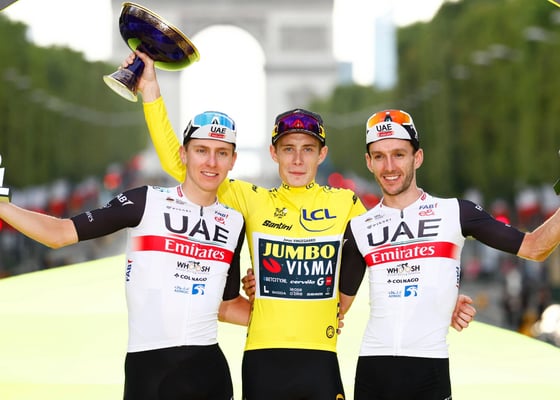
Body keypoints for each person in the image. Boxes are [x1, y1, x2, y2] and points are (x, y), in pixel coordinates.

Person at [127, 50, 476, 399]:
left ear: (322, 154)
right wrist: (151, 91)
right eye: (288, 149)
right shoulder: (251, 199)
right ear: (273, 153)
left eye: (307, 149)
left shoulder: (345, 203)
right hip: (262, 361)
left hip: (320, 360)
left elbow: (401, 250)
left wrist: (441, 297)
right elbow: (182, 166)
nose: (297, 159)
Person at [0, 111, 251, 400]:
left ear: (233, 160)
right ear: (184, 154)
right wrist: (2, 206)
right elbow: (59, 233)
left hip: (209, 374)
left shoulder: (235, 222)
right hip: (149, 373)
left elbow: (226, 306)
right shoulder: (145, 200)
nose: (211, 162)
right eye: (201, 150)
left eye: (222, 153)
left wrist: (278, 304)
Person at [339, 109, 560, 400]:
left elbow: (534, 247)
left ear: (417, 157)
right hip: (373, 371)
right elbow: (335, 309)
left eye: (399, 154)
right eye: (379, 156)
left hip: (429, 371)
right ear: (368, 162)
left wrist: (439, 297)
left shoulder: (455, 212)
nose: (389, 166)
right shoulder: (358, 227)